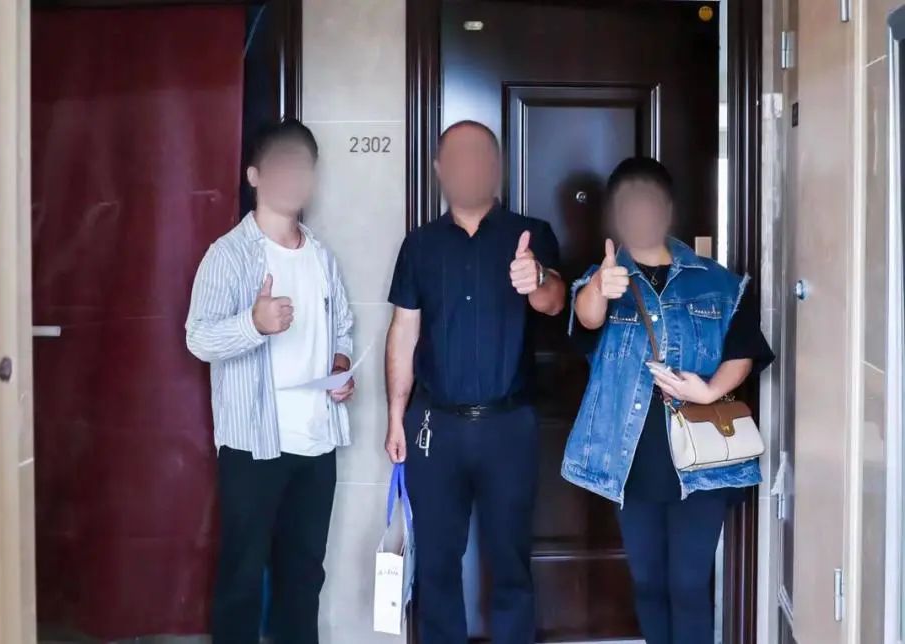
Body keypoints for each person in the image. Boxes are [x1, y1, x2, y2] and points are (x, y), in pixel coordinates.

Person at [563, 157, 774, 644]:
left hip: (702, 460)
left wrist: (709, 390)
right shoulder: (603, 278)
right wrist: (599, 287)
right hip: (631, 459)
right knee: (649, 582)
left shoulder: (718, 282)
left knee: (688, 585)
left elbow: (743, 351)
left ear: (667, 208)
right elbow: (586, 319)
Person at [384, 120, 566, 644]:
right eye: (457, 157)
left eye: (479, 155)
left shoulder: (530, 234)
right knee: (437, 562)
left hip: (509, 425)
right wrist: (395, 417)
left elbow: (555, 302)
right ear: (440, 169)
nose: (468, 166)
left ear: (496, 166)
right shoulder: (419, 245)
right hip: (433, 427)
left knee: (509, 561)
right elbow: (403, 330)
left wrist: (538, 278)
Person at [185, 118, 355, 644]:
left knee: (303, 577)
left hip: (316, 443)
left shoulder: (321, 256)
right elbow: (198, 337)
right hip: (253, 445)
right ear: (254, 175)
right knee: (241, 578)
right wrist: (253, 324)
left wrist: (342, 367)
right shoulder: (229, 255)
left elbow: (342, 329)